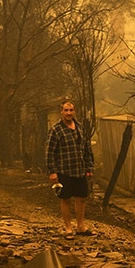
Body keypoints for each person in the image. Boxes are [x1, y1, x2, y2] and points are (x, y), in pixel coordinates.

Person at [45, 100, 95, 239]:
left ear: (74, 111)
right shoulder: (56, 130)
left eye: (71, 110)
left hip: (80, 170)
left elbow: (87, 149)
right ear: (61, 111)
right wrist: (52, 171)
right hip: (63, 170)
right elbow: (49, 152)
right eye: (66, 110)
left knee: (81, 198)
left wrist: (89, 167)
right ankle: (68, 228)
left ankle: (81, 226)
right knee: (65, 199)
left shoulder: (80, 128)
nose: (68, 113)